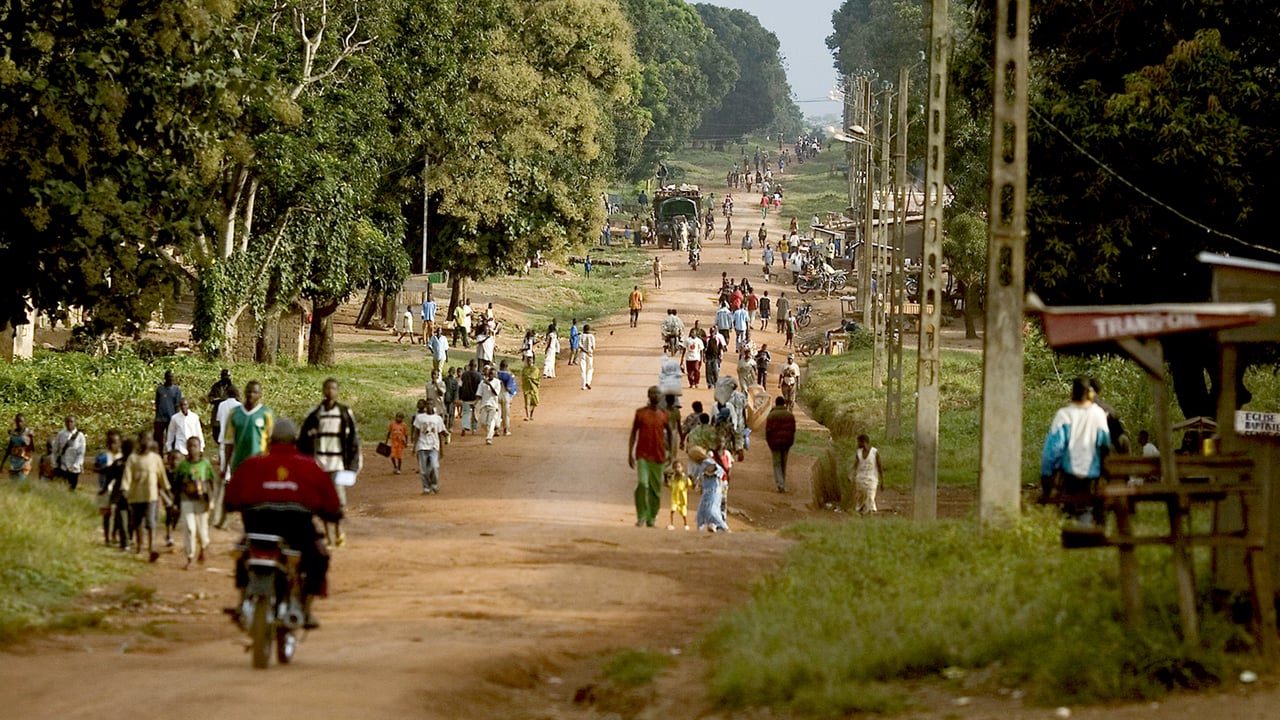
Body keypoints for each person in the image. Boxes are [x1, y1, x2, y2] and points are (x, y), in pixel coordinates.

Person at [226, 418, 341, 629]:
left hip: (258, 527)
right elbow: (331, 502)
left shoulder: (252, 464)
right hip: (296, 530)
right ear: (295, 440)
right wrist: (333, 513)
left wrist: (233, 505)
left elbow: (231, 497)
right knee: (319, 558)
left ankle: (243, 600)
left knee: (243, 552)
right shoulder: (310, 465)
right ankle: (305, 608)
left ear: (270, 440)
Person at [298, 378, 362, 547]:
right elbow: (304, 440)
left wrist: (353, 464)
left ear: (337, 391)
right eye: (327, 388)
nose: (330, 391)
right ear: (323, 390)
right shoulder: (315, 414)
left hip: (338, 464)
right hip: (319, 464)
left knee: (338, 501)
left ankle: (338, 531)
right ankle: (327, 535)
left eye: (333, 388)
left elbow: (353, 440)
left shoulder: (344, 413)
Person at [1040, 376, 1111, 525]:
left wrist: (1046, 475)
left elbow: (1053, 449)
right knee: (1086, 504)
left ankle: (1072, 525)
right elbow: (1104, 445)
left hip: (1069, 472)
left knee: (1069, 503)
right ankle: (1086, 525)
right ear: (1090, 394)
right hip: (1092, 472)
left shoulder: (1064, 415)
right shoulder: (1098, 414)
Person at [122, 432, 172, 562]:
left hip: (151, 496)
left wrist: (168, 492)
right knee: (137, 522)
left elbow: (162, 477)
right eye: (143, 439)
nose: (146, 442)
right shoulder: (132, 458)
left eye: (148, 439)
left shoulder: (156, 458)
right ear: (139, 441)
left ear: (151, 442)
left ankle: (151, 548)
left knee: (150, 522)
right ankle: (139, 546)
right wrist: (125, 489)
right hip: (136, 495)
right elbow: (127, 476)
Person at [628, 386, 672, 528]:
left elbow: (670, 433)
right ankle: (642, 515)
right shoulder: (640, 413)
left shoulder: (664, 415)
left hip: (658, 456)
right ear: (648, 395)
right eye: (653, 393)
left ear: (661, 397)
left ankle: (651, 518)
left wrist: (670, 452)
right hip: (642, 455)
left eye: (658, 393)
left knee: (656, 490)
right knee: (642, 483)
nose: (655, 395)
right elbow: (634, 433)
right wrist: (630, 453)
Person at [173, 436, 214, 569]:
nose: (192, 449)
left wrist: (212, 499)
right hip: (187, 500)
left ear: (199, 447)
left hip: (202, 501)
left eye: (195, 446)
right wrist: (175, 502)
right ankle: (190, 557)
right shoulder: (183, 466)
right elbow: (177, 483)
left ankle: (203, 547)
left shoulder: (205, 464)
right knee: (189, 528)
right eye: (190, 446)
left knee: (202, 530)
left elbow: (211, 481)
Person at [225, 380, 274, 474]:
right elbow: (229, 441)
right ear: (244, 392)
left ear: (260, 395)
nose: (251, 395)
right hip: (239, 462)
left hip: (259, 463)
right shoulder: (234, 413)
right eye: (249, 391)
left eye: (255, 392)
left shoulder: (266, 413)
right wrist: (225, 466)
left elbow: (271, 440)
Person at [212, 386, 241, 529]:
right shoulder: (239, 407)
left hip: (224, 439)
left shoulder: (222, 405)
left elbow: (218, 421)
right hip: (235, 440)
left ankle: (223, 511)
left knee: (225, 472)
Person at [411, 399, 449, 494]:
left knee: (434, 466)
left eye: (431, 404)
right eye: (427, 404)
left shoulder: (437, 419)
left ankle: (434, 485)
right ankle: (426, 487)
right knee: (423, 470)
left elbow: (440, 433)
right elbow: (416, 432)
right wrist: (414, 447)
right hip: (422, 446)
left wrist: (441, 450)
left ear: (434, 406)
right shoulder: (420, 418)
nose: (429, 406)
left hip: (433, 446)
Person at [93, 430, 124, 545]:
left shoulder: (123, 456)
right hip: (104, 488)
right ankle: (106, 537)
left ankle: (114, 535)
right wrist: (105, 470)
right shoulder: (104, 456)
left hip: (118, 488)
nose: (114, 445)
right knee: (107, 514)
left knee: (118, 514)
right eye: (112, 443)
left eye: (116, 442)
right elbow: (95, 468)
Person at [689, 445, 728, 533]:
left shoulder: (707, 462)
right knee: (701, 512)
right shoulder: (700, 464)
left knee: (711, 511)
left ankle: (724, 528)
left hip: (713, 490)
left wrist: (710, 473)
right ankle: (700, 530)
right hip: (707, 491)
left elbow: (719, 471)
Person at [765, 398, 796, 492]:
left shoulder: (771, 415)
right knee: (783, 463)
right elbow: (793, 430)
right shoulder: (790, 415)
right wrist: (790, 442)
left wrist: (769, 443)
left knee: (777, 463)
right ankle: (782, 482)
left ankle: (780, 484)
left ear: (776, 403)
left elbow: (768, 431)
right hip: (786, 443)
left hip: (775, 443)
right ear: (784, 404)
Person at [164, 399, 204, 466]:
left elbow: (199, 432)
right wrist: (169, 447)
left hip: (192, 445)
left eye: (185, 404)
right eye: (181, 405)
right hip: (180, 445)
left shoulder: (194, 417)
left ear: (188, 405)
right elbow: (171, 433)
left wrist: (201, 447)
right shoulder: (175, 418)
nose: (183, 407)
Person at [51, 414, 86, 491]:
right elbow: (55, 450)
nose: (69, 423)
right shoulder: (61, 434)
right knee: (61, 488)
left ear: (75, 423)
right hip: (62, 466)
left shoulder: (80, 436)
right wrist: (54, 464)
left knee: (71, 488)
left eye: (71, 422)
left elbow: (81, 453)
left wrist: (75, 465)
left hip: (74, 468)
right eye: (67, 422)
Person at [852, 434, 884, 513]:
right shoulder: (858, 452)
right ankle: (861, 514)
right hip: (860, 479)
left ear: (864, 442)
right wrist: (852, 475)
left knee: (870, 497)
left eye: (859, 442)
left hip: (871, 479)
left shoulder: (874, 452)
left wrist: (882, 481)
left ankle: (870, 513)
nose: (857, 444)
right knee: (860, 499)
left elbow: (879, 466)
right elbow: (855, 465)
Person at [153, 370, 183, 446]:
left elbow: (178, 405)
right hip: (160, 418)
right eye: (169, 376)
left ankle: (172, 454)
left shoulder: (176, 390)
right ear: (165, 378)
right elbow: (157, 403)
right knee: (158, 439)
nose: (171, 378)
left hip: (171, 418)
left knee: (172, 439)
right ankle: (159, 455)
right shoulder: (160, 389)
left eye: (172, 376)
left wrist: (177, 419)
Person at [207, 369, 236, 441]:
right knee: (216, 432)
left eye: (228, 376)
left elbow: (238, 399)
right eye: (225, 376)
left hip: (229, 411)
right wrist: (217, 400)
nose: (226, 378)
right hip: (217, 411)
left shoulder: (232, 387)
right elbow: (210, 398)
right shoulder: (216, 386)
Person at [4, 413, 35, 480]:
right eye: (17, 421)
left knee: (21, 481)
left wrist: (31, 439)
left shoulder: (28, 433)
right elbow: (9, 448)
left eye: (21, 421)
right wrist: (2, 463)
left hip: (24, 462)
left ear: (25, 422)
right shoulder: (14, 433)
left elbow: (32, 449)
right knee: (13, 484)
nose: (19, 424)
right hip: (14, 462)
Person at [477, 364, 503, 445]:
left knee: (490, 422)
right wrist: (475, 403)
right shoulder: (482, 383)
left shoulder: (497, 382)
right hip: (484, 405)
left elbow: (496, 393)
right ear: (488, 374)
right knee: (483, 422)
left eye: (493, 374)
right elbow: (479, 394)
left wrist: (490, 385)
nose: (492, 375)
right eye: (490, 374)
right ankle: (490, 433)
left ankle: (489, 438)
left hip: (493, 405)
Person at [458, 360, 482, 435]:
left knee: (465, 412)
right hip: (475, 397)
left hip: (466, 397)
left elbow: (461, 385)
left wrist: (460, 396)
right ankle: (474, 429)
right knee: (474, 413)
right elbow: (480, 387)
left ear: (469, 365)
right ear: (476, 366)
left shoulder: (464, 374)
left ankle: (464, 427)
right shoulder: (479, 375)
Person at [497, 360, 518, 437]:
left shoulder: (496, 374)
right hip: (505, 395)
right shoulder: (509, 375)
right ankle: (505, 430)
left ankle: (496, 430)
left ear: (500, 366)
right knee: (506, 414)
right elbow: (509, 388)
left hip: (497, 394)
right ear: (506, 366)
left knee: (497, 413)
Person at [667, 462, 690, 531]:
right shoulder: (672, 477)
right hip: (674, 498)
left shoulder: (685, 478)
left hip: (682, 499)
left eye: (679, 467)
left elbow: (689, 484)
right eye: (675, 467)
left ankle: (685, 524)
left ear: (682, 468)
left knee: (684, 513)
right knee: (672, 510)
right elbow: (670, 485)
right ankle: (671, 524)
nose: (677, 469)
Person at [520, 355, 541, 421]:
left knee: (535, 402)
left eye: (530, 360)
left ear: (533, 361)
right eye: (528, 361)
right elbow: (523, 377)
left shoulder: (535, 369)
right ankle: (527, 416)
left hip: (534, 388)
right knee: (527, 403)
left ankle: (531, 414)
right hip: (526, 387)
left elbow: (535, 377)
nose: (529, 362)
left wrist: (529, 377)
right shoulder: (524, 369)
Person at [443, 366, 461, 432]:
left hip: (452, 399)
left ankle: (450, 426)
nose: (451, 373)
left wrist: (455, 399)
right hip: (445, 398)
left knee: (451, 413)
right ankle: (444, 426)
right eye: (450, 371)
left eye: (453, 371)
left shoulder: (455, 381)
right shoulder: (445, 379)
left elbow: (456, 391)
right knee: (445, 413)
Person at [579, 323, 597, 390]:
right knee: (590, 368)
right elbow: (593, 347)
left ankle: (583, 385)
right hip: (589, 354)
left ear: (583, 329)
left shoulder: (580, 336)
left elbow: (580, 346)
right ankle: (588, 382)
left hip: (582, 354)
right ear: (589, 330)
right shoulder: (591, 336)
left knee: (583, 370)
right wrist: (589, 351)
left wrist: (585, 351)